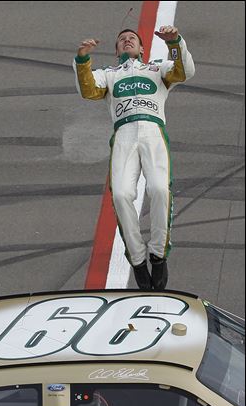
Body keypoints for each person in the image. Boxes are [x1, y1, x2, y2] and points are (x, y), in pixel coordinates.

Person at [73, 26, 195, 290]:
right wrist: (83, 58)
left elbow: (184, 72)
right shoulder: (108, 75)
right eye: (121, 40)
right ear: (116, 50)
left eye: (132, 39)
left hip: (153, 131)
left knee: (160, 189)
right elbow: (88, 90)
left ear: (142, 49)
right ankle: (138, 260)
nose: (127, 41)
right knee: (120, 195)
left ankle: (159, 255)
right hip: (124, 135)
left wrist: (174, 41)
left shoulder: (157, 69)